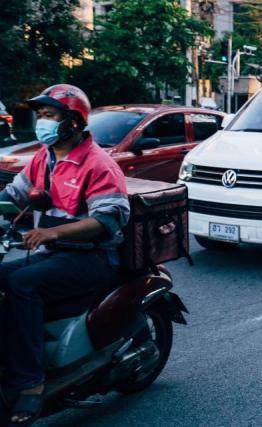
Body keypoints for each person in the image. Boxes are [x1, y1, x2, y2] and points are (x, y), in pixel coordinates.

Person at [0, 84, 130, 425]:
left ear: (72, 121)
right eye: (39, 115)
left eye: (49, 116)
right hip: (54, 253)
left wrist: (51, 232)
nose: (42, 122)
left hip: (92, 258)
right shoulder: (44, 158)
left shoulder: (98, 163)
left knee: (22, 285)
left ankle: (30, 384)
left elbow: (106, 220)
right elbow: (15, 197)